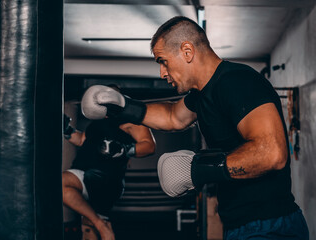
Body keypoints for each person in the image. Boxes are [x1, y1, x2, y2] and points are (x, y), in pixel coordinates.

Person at [80, 16, 309, 240]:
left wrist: (198, 170)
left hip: (269, 225)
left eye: (163, 61)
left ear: (187, 51)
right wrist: (122, 106)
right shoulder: (202, 95)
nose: (162, 73)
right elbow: (172, 117)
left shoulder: (237, 82)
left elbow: (272, 153)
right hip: (241, 225)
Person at [62, 86, 156, 240]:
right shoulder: (97, 123)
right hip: (84, 172)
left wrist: (124, 149)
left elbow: (149, 145)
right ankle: (100, 223)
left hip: (104, 178)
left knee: (61, 184)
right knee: (88, 229)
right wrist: (67, 130)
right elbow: (81, 140)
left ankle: (99, 223)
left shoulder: (129, 120)